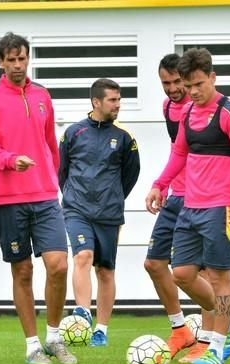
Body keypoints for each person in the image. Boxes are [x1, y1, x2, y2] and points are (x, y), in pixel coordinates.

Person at [146, 48, 230, 364]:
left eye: (198, 84)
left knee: (219, 277)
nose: (192, 91)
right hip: (190, 207)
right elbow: (179, 155)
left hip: (223, 208)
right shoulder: (186, 114)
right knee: (181, 273)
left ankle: (216, 347)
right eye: (188, 85)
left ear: (212, 78)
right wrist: (160, 184)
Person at [0, 32, 77, 364]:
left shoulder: (42, 95)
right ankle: (33, 345)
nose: (18, 66)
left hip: (45, 195)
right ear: (0, 62)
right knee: (22, 271)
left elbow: (51, 145)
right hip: (7, 197)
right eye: (12, 60)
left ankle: (54, 337)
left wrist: (54, 179)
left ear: (28, 59)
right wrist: (10, 160)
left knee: (59, 265)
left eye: (23, 59)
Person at [59, 78, 140, 346]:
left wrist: (112, 197)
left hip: (109, 213)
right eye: (112, 100)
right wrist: (75, 195)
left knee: (105, 271)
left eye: (119, 99)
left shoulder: (125, 138)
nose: (118, 105)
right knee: (83, 255)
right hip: (76, 209)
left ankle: (101, 330)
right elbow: (62, 172)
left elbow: (130, 175)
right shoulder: (73, 133)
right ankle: (83, 316)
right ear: (96, 102)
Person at [143, 54, 208, 362]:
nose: (171, 88)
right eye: (165, 83)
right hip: (176, 197)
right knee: (154, 264)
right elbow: (177, 151)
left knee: (207, 272)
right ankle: (181, 329)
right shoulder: (168, 108)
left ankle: (215, 334)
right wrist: (162, 184)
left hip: (204, 200)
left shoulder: (208, 109)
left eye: (176, 82)